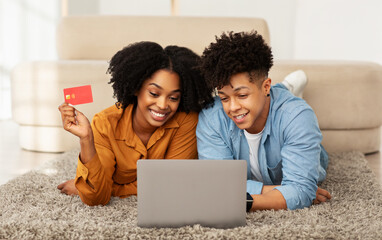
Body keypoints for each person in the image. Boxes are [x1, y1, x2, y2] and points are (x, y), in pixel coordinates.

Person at [57, 41, 214, 206]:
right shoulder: (105, 124)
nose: (162, 105)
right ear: (136, 88)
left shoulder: (187, 121)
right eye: (154, 93)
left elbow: (170, 185)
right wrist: (86, 138)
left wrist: (108, 188)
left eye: (173, 97)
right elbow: (96, 198)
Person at [196, 31, 331, 211]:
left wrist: (243, 201)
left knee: (317, 167)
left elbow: (301, 190)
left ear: (266, 86)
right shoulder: (212, 117)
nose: (232, 107)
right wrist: (284, 191)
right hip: (266, 103)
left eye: (242, 95)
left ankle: (285, 90)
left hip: (296, 131)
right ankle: (284, 87)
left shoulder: (297, 117)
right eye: (224, 98)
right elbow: (218, 184)